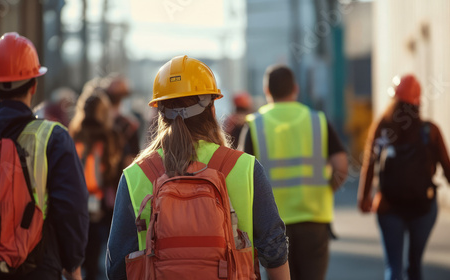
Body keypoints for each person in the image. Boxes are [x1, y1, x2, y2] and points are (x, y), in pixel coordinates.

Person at [106, 55, 290, 280]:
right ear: (211, 108)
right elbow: (274, 251)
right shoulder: (245, 168)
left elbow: (116, 266)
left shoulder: (135, 175)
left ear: (160, 114)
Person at [0, 32, 89, 280]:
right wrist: (73, 264)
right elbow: (71, 209)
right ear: (33, 85)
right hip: (35, 267)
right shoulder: (53, 137)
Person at [239, 65, 349, 280]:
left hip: (271, 225)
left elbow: (243, 177)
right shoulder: (318, 120)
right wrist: (326, 190)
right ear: (295, 89)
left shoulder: (255, 125)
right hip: (314, 219)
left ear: (267, 91)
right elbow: (342, 167)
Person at [357, 74, 450, 280]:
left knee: (393, 268)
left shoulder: (383, 127)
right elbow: (448, 168)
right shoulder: (431, 131)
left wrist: (364, 198)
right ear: (418, 102)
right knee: (415, 267)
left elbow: (369, 162)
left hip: (389, 208)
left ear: (394, 100)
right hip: (424, 208)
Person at [69, 82, 122, 280]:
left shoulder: (74, 133)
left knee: (83, 243)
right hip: (102, 201)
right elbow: (113, 172)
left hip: (77, 198)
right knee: (99, 251)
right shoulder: (110, 135)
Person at [101, 73, 141, 174]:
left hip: (98, 181)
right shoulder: (130, 125)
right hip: (119, 180)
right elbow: (131, 162)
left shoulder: (97, 123)